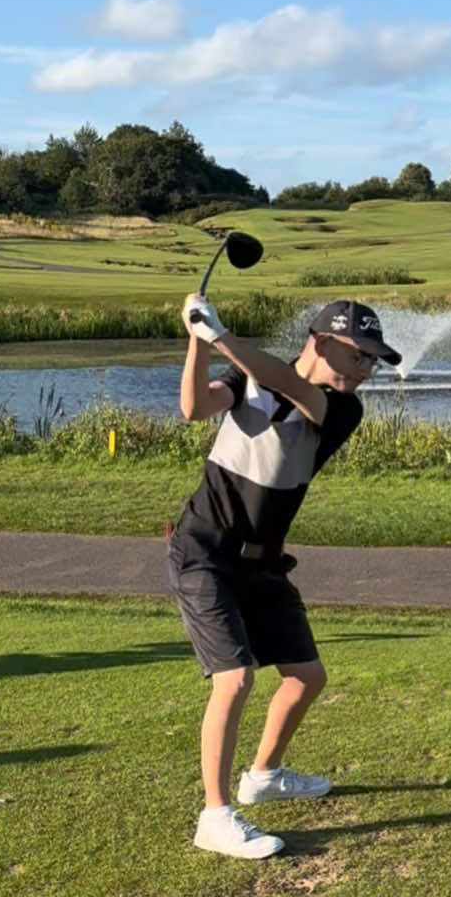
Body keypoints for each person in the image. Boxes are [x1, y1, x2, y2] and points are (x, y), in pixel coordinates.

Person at [168, 292, 402, 859]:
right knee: (235, 679)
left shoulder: (342, 409)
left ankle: (264, 775)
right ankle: (216, 815)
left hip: (264, 562)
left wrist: (219, 334)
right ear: (321, 343)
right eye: (360, 356)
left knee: (306, 677)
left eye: (373, 360)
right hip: (204, 553)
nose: (367, 369)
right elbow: (195, 407)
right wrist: (199, 343)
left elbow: (290, 387)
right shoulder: (244, 378)